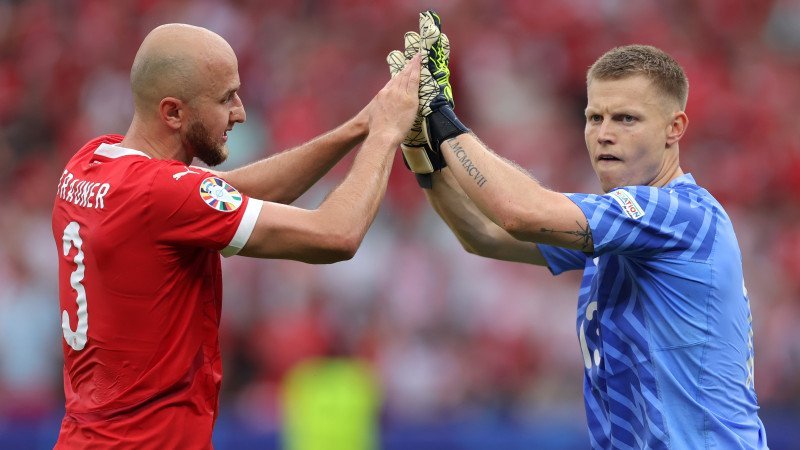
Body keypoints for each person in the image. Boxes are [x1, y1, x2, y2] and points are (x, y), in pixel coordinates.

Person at [395, 11, 768, 449]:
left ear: (674, 128)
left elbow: (518, 212)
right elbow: (482, 234)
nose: (604, 134)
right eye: (595, 118)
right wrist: (421, 149)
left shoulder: (678, 215)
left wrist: (441, 116)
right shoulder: (623, 230)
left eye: (626, 119)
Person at [51, 23, 420, 449]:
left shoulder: (91, 162)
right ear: (173, 113)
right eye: (225, 98)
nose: (240, 112)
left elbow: (231, 192)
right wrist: (386, 134)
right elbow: (337, 234)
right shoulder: (162, 194)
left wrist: (360, 125)